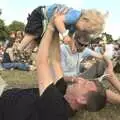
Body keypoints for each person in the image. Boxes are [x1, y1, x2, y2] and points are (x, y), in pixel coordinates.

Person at [0, 22, 107, 120]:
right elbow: (56, 61)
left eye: (84, 83)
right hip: (6, 92)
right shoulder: (64, 95)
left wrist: (50, 27)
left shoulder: (56, 109)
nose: (79, 79)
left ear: (82, 99)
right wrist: (57, 28)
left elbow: (42, 62)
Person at [18, 3, 106, 53]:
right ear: (85, 19)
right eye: (84, 30)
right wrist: (64, 35)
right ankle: (18, 49)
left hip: (46, 20)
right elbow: (58, 20)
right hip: (41, 14)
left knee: (38, 39)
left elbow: (71, 36)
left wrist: (72, 45)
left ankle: (26, 52)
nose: (81, 31)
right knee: (33, 34)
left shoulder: (75, 26)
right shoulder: (75, 15)